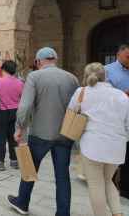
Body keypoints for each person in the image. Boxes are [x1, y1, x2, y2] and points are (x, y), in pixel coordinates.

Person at [7, 47, 79, 216]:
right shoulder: (72, 78)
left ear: (39, 62)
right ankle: (63, 213)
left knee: (29, 169)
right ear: (55, 59)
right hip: (65, 134)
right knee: (62, 177)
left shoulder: (34, 76)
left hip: (40, 133)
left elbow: (24, 106)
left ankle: (22, 202)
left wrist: (19, 127)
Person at [68, 63, 128, 216]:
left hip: (92, 145)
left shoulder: (81, 92)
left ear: (86, 75)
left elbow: (71, 112)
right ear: (105, 76)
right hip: (116, 146)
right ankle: (117, 213)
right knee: (108, 181)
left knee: (96, 185)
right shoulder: (121, 95)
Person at [0, 60, 23, 171]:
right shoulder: (20, 82)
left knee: (1, 137)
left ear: (3, 69)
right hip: (15, 112)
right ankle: (14, 161)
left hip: (2, 112)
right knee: (13, 137)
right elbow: (23, 98)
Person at [105, 44, 129, 199]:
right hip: (114, 120)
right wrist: (123, 95)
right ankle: (110, 186)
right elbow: (103, 93)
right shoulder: (106, 70)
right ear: (119, 53)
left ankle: (126, 189)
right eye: (128, 56)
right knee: (113, 155)